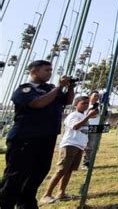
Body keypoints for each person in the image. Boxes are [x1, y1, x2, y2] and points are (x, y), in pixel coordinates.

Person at [0, 60, 74, 209]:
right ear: (34, 71)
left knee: (38, 173)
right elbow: (37, 104)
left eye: (51, 70)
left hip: (47, 137)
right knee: (16, 175)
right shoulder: (25, 90)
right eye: (46, 70)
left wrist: (70, 87)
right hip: (25, 138)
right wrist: (59, 87)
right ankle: (4, 204)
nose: (50, 73)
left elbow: (68, 101)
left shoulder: (50, 89)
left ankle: (26, 204)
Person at [41, 96, 98, 203]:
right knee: (61, 170)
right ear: (76, 104)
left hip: (79, 146)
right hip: (69, 145)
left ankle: (61, 193)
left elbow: (85, 130)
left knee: (69, 170)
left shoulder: (83, 116)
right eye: (83, 103)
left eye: (87, 103)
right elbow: (75, 127)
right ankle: (46, 194)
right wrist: (88, 116)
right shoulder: (73, 115)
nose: (85, 105)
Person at [83, 90, 100, 168]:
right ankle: (86, 163)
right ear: (90, 96)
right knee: (89, 145)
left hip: (98, 126)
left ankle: (91, 161)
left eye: (98, 96)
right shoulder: (85, 104)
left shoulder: (99, 105)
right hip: (89, 126)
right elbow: (89, 115)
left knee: (95, 146)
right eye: (95, 95)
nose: (96, 97)